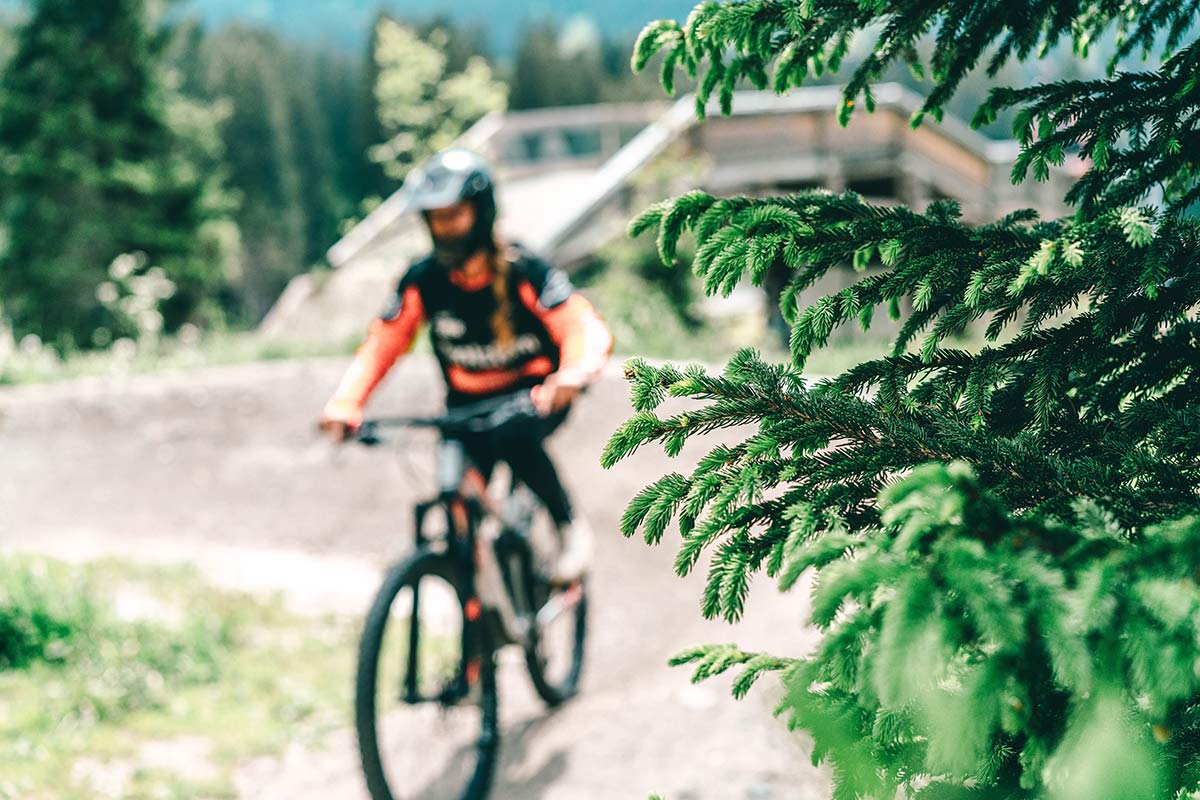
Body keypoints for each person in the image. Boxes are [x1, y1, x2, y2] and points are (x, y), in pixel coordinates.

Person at [319, 148, 613, 584]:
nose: (446, 228)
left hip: (536, 396)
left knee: (514, 438)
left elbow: (580, 325)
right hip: (467, 404)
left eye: (455, 215)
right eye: (437, 218)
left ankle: (569, 525)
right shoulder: (423, 280)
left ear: (482, 210)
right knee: (453, 494)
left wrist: (572, 373)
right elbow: (384, 341)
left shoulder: (523, 269)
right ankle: (479, 630)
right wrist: (346, 402)